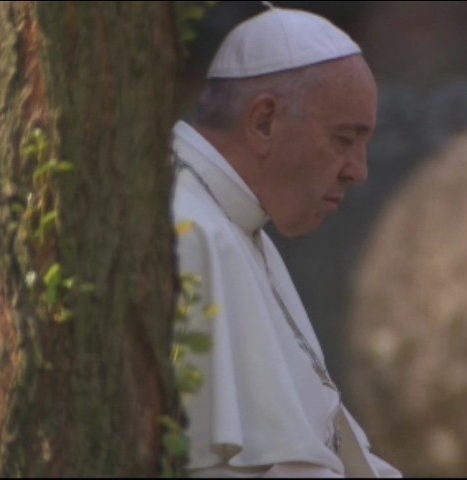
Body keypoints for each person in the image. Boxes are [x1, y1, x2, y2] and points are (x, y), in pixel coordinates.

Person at [171, 5, 401, 478]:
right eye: (343, 139)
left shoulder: (237, 223)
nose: (358, 171)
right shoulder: (188, 230)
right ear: (264, 121)